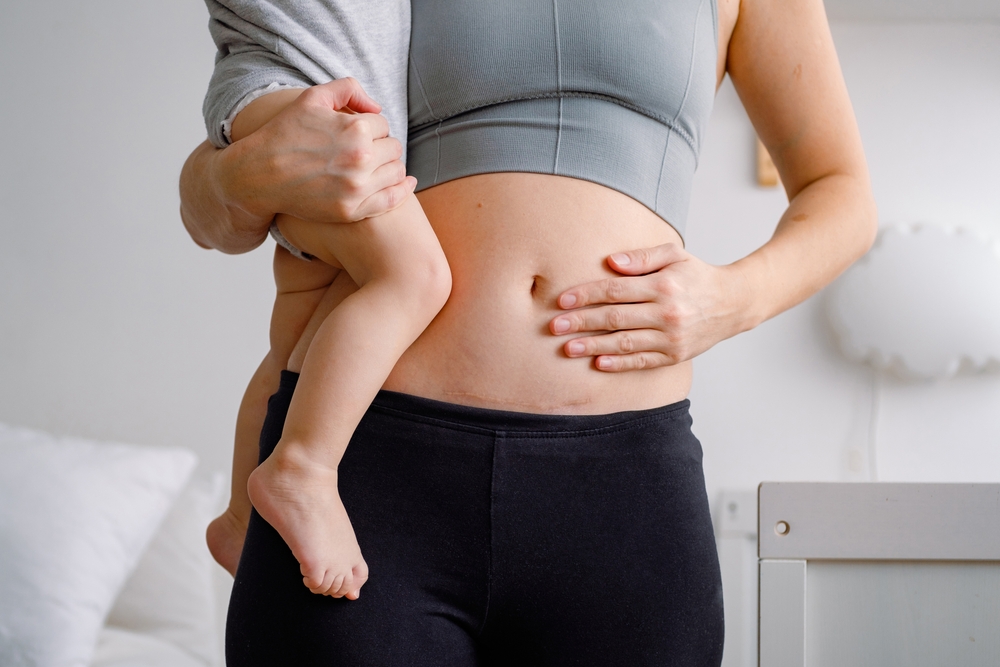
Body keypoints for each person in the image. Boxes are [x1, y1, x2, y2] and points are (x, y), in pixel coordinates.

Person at [181, 0, 877, 664]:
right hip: (367, 469)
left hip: (621, 490)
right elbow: (211, 192)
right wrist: (236, 174)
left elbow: (841, 192)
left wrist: (734, 297)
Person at [198, 0, 450, 602]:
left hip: (328, 109)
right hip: (290, 97)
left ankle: (239, 519)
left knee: (297, 344)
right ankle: (302, 468)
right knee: (415, 276)